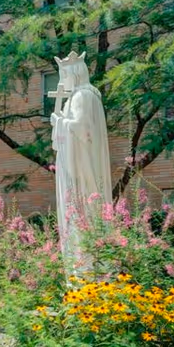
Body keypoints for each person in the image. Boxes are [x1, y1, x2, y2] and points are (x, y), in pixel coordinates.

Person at [50, 51, 112, 267]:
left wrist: (58, 122)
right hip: (80, 168)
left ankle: (85, 271)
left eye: (63, 75)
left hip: (80, 172)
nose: (61, 81)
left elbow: (80, 128)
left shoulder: (81, 96)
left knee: (81, 217)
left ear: (74, 73)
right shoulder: (85, 96)